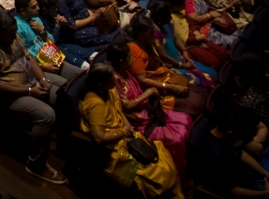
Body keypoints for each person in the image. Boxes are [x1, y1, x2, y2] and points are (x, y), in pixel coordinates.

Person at [0, 11, 68, 184]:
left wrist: (42, 79)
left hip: (30, 81)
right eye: (10, 34)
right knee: (47, 115)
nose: (13, 37)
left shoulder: (12, 35)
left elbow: (29, 58)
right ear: (0, 33)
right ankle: (36, 164)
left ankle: (60, 144)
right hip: (9, 95)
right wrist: (31, 91)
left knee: (64, 95)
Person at [78, 63, 184, 199]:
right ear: (100, 85)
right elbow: (99, 138)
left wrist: (126, 123)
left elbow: (118, 108)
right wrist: (124, 132)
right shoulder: (95, 104)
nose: (114, 82)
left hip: (126, 135)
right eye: (111, 81)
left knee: (165, 158)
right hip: (112, 149)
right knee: (160, 174)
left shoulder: (108, 90)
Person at [105, 42, 191, 178]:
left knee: (185, 120)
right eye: (130, 57)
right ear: (122, 62)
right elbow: (126, 106)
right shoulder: (114, 79)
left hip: (147, 110)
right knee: (177, 139)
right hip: (137, 120)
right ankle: (176, 175)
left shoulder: (124, 71)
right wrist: (148, 93)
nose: (132, 60)